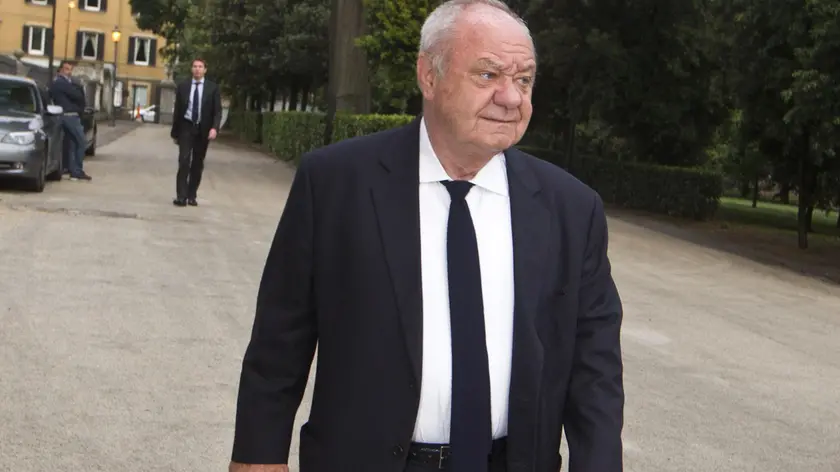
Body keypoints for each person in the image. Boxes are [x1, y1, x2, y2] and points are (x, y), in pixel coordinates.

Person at [229, 0, 625, 471]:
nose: (511, 98)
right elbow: (280, 338)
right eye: (488, 75)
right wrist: (258, 456)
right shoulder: (336, 183)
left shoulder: (572, 209)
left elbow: (595, 370)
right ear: (429, 76)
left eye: (524, 80)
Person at [170, 58, 222, 207]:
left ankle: (191, 195)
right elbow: (178, 111)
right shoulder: (183, 87)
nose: (197, 69)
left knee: (197, 163)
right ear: (191, 69)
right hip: (186, 127)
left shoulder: (212, 88)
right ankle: (181, 196)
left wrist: (214, 128)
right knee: (184, 160)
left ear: (205, 70)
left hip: (203, 129)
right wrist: (175, 133)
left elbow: (217, 111)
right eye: (195, 66)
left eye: (200, 67)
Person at [49, 61, 91, 181]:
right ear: (60, 69)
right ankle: (77, 170)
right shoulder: (61, 82)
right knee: (81, 141)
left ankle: (72, 169)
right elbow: (77, 95)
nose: (69, 72)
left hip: (67, 114)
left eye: (70, 69)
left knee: (72, 143)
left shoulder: (63, 82)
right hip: (69, 115)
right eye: (66, 69)